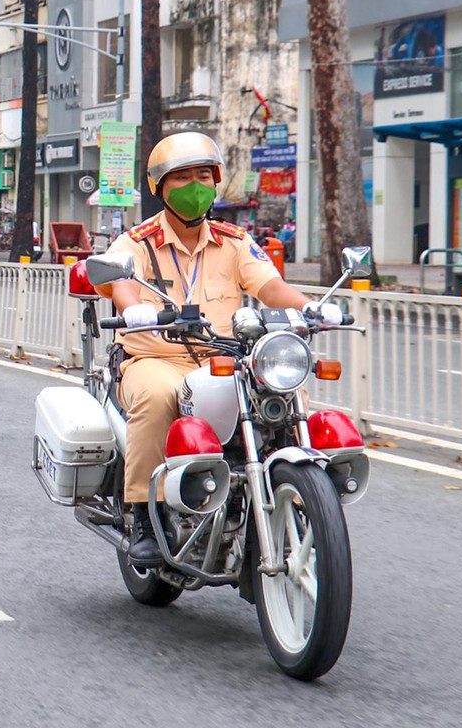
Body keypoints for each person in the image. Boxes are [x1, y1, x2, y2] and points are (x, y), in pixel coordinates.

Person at [95, 132, 343, 568]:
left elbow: (270, 286)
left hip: (224, 358)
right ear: (160, 187)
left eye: (203, 176)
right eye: (182, 178)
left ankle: (306, 499)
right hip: (156, 357)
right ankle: (145, 517)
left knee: (285, 394)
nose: (195, 186)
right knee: (156, 398)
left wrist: (311, 307)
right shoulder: (137, 241)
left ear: (216, 181)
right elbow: (122, 284)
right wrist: (133, 309)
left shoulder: (233, 240)